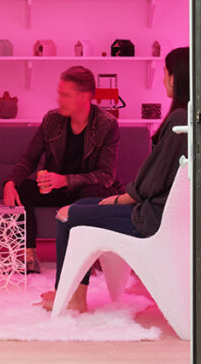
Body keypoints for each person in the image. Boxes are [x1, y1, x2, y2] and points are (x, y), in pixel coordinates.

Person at [39, 47, 189, 314]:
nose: (164, 79)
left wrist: (121, 199)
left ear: (175, 78)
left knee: (68, 215)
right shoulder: (187, 117)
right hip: (155, 209)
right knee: (84, 202)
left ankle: (71, 296)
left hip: (151, 216)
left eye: (165, 73)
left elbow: (151, 182)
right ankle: (71, 292)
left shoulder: (179, 120)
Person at [2, 64, 121, 272]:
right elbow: (30, 157)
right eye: (59, 94)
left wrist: (65, 180)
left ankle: (84, 259)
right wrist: (11, 182)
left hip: (84, 191)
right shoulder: (52, 120)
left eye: (65, 95)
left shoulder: (107, 124)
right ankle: (28, 257)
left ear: (85, 97)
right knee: (22, 190)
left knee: (90, 194)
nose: (59, 100)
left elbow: (106, 176)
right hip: (55, 189)